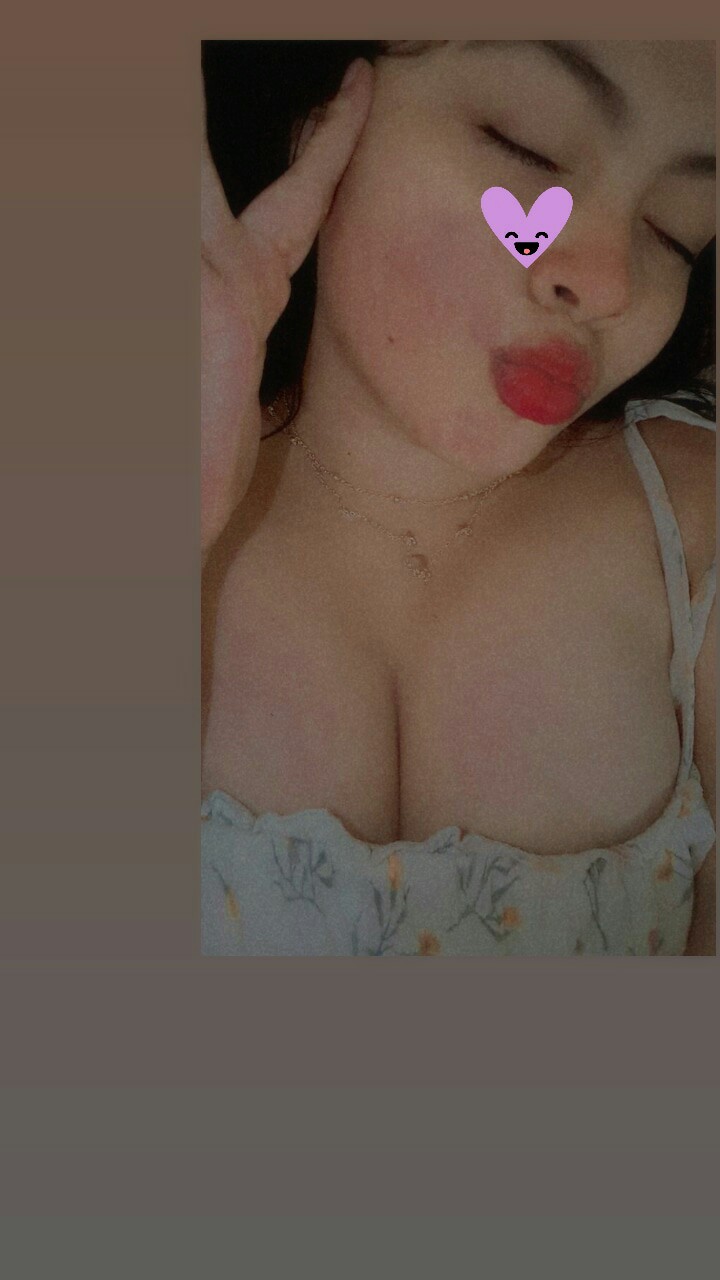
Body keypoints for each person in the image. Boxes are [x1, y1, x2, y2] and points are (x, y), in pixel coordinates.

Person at [200, 40, 716, 956]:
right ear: (317, 112)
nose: (607, 283)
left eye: (677, 228)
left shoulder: (697, 536)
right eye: (528, 146)